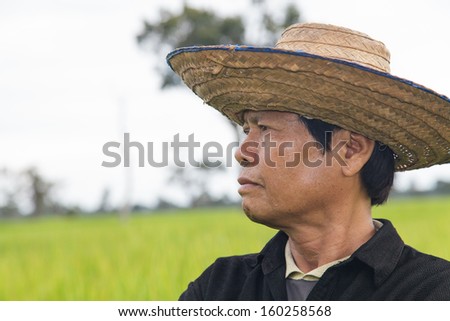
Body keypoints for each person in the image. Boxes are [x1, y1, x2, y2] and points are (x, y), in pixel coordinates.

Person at [166, 23, 450, 300]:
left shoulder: (432, 294)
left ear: (350, 151)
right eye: (247, 130)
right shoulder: (219, 289)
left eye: (265, 129)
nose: (243, 152)